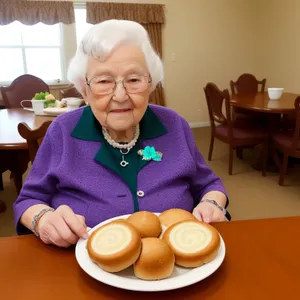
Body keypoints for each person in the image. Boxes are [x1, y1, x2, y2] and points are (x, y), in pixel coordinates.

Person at [13, 19, 231, 248]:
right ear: (85, 91)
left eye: (134, 80)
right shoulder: (63, 131)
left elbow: (210, 185)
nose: (120, 95)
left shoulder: (175, 125)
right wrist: (43, 220)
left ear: (150, 85)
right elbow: (28, 200)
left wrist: (213, 204)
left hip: (178, 265)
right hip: (83, 268)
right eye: (104, 81)